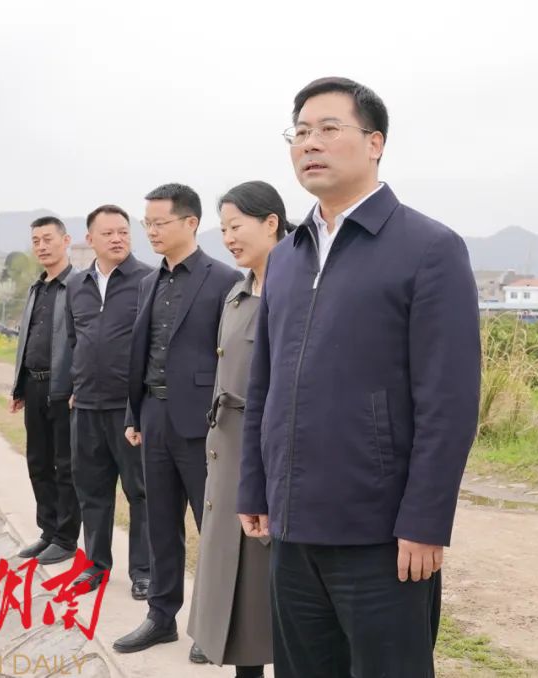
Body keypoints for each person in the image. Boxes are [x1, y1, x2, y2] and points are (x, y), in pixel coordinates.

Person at [237, 77, 481, 678]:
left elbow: (448, 402)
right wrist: (255, 488)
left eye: (328, 129)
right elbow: (263, 385)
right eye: (299, 132)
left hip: (381, 536)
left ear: (375, 143)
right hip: (292, 529)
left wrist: (425, 521)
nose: (309, 143)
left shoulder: (429, 248)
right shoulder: (288, 256)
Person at [112, 183, 242, 655]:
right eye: (146, 223)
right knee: (160, 521)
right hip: (154, 414)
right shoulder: (149, 283)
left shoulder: (225, 279)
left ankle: (213, 627)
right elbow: (141, 353)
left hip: (204, 421)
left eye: (159, 223)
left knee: (213, 527)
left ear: (190, 222)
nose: (151, 231)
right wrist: (135, 411)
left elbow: (232, 355)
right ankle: (161, 616)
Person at [188, 181, 290, 676]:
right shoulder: (238, 291)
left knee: (268, 586)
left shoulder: (298, 288)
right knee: (230, 569)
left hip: (270, 452)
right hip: (226, 451)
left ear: (271, 223)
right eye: (223, 228)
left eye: (236, 226)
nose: (228, 238)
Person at [65, 204, 153, 599]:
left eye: (124, 231)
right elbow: (74, 340)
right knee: (92, 491)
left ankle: (144, 572)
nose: (118, 238)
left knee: (141, 492)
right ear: (91, 239)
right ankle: (96, 566)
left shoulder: (148, 280)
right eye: (108, 233)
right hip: (86, 407)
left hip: (129, 409)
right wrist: (74, 385)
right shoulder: (76, 285)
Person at [10, 216, 81, 566]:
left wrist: (79, 385)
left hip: (64, 391)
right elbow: (28, 339)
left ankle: (66, 539)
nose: (41, 246)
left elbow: (85, 340)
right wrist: (19, 386)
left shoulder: (80, 286)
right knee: (38, 462)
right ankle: (48, 531)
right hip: (35, 386)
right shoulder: (36, 288)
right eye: (36, 240)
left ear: (65, 241)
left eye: (48, 238)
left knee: (65, 466)